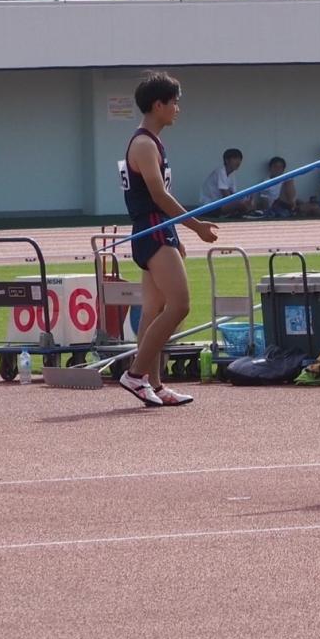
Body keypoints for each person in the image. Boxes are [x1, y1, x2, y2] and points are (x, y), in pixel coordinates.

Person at [118, 72, 218, 406]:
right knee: (180, 305)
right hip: (153, 228)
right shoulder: (144, 144)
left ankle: (155, 384)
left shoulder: (152, 142)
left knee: (154, 309)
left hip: (160, 229)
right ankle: (135, 374)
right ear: (158, 104)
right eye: (174, 102)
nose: (178, 108)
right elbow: (158, 196)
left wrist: (177, 234)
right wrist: (196, 226)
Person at [256, 156, 320, 218]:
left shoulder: (283, 179)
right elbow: (264, 201)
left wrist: (302, 203)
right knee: (288, 179)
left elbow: (292, 195)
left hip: (290, 206)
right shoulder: (266, 182)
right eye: (275, 167)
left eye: (280, 167)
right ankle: (293, 206)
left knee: (313, 207)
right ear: (270, 168)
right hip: (276, 208)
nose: (278, 169)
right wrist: (267, 213)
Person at [199, 148, 253, 217]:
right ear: (227, 160)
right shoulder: (220, 171)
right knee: (239, 204)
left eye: (240, 159)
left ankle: (243, 213)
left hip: (219, 205)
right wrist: (241, 203)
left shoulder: (232, 174)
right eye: (235, 159)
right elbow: (226, 196)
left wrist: (245, 199)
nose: (238, 162)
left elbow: (233, 194)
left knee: (247, 199)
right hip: (207, 206)